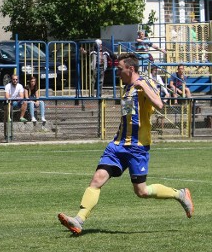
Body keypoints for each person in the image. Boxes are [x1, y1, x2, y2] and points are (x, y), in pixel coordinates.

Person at [57, 53, 194, 236]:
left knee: (142, 191)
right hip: (118, 144)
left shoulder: (145, 83)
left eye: (119, 68)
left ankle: (180, 194)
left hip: (138, 146)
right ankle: (79, 220)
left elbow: (160, 105)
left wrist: (143, 85)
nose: (117, 72)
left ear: (130, 68)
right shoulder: (127, 87)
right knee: (97, 179)